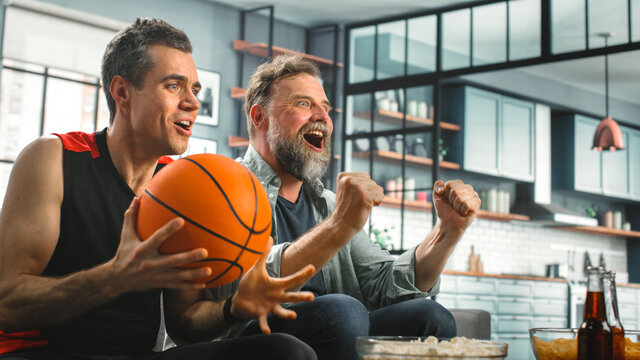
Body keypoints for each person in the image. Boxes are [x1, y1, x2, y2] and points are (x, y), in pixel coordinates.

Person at [0, 18, 318, 360]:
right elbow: (7, 302)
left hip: (137, 354)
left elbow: (183, 325)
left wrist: (233, 308)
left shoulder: (183, 185)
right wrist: (115, 277)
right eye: (173, 86)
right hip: (42, 353)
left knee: (286, 352)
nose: (193, 103)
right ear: (122, 92)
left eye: (194, 89)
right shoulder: (54, 158)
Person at [236, 54, 482, 360]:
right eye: (303, 104)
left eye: (325, 108)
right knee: (344, 311)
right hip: (256, 335)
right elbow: (242, 283)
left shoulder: (328, 204)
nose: (322, 117)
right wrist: (338, 227)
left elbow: (384, 285)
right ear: (260, 117)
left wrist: (447, 231)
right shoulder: (230, 189)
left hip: (336, 331)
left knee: (431, 316)